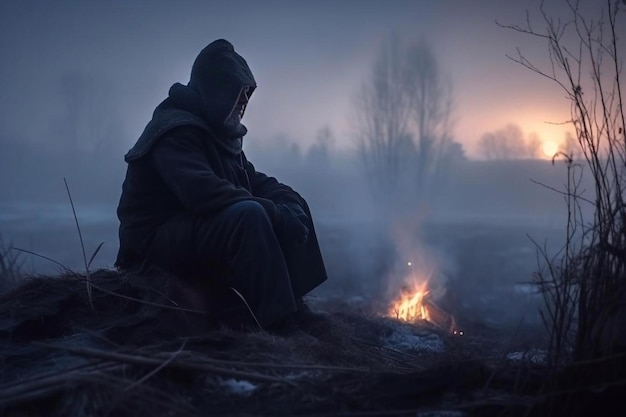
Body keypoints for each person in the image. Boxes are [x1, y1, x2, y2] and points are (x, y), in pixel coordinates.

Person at [115, 39, 328, 330]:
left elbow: (250, 179)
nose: (243, 102)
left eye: (245, 95)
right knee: (249, 215)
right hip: (155, 239)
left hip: (192, 225)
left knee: (292, 204)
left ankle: (294, 301)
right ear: (217, 91)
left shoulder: (217, 129)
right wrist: (275, 214)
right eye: (237, 93)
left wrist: (286, 201)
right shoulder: (175, 129)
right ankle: (278, 320)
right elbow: (201, 191)